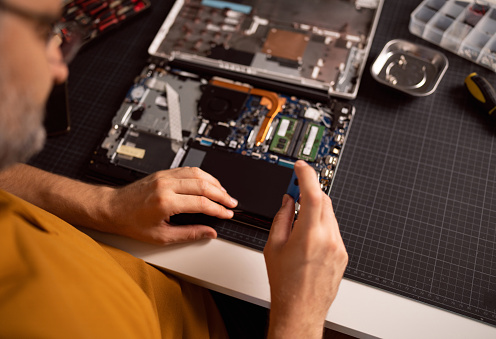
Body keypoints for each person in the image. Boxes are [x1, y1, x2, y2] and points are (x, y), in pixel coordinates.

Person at [0, 0, 349, 338]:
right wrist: (301, 313)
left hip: (156, 285)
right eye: (44, 31)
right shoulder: (41, 319)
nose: (60, 67)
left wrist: (105, 205)